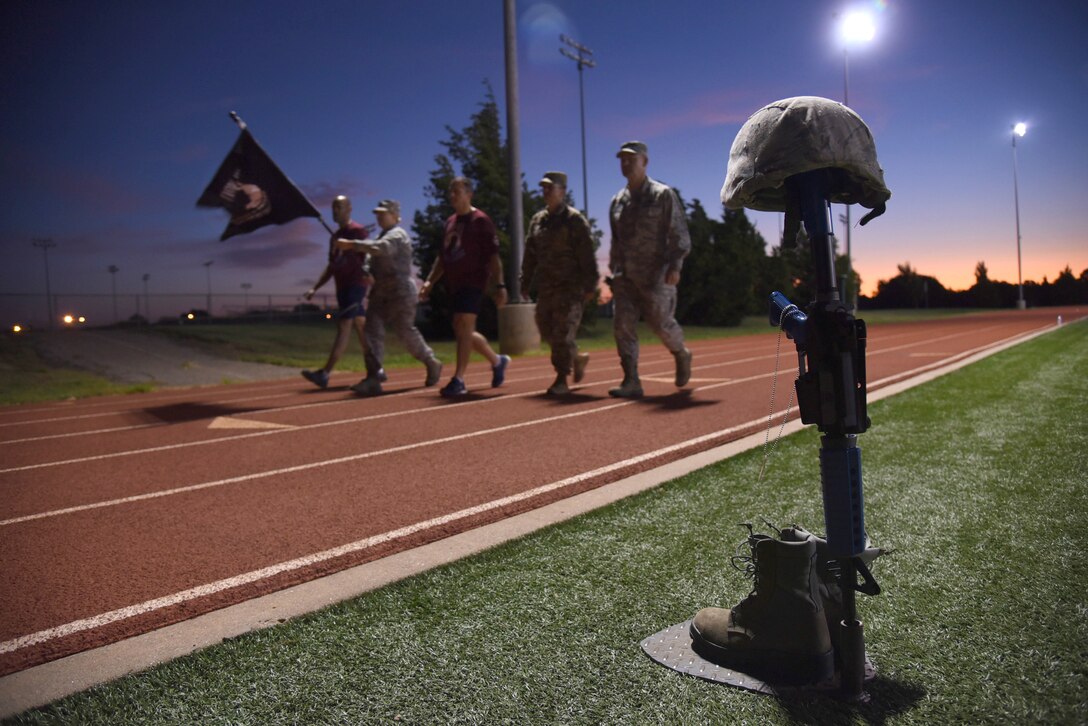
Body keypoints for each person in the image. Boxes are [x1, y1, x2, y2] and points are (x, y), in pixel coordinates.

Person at [607, 141, 693, 398]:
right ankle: (631, 380)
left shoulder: (662, 194)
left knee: (661, 324)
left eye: (631, 159)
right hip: (625, 277)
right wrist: (614, 266)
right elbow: (616, 239)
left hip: (656, 275)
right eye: (622, 159)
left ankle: (680, 352)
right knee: (622, 325)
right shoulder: (617, 201)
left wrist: (676, 265)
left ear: (645, 162)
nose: (626, 164)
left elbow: (678, 232)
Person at [338, 199, 442, 396]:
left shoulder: (398, 235)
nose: (379, 216)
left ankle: (431, 362)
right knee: (371, 330)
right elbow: (370, 259)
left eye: (383, 213)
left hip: (400, 291)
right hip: (380, 291)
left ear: (394, 215)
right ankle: (374, 376)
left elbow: (381, 248)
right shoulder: (380, 236)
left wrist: (352, 244)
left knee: (405, 331)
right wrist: (367, 271)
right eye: (377, 213)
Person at [419, 176, 510, 397]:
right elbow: (442, 257)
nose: (452, 196)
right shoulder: (450, 222)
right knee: (462, 329)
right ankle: (497, 361)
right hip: (455, 283)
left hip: (474, 281)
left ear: (469, 194)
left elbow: (493, 257)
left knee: (464, 323)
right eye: (450, 192)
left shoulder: (481, 221)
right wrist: (430, 281)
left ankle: (458, 379)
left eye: (457, 192)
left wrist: (500, 285)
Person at [520, 171, 599, 396]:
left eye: (550, 187)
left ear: (562, 191)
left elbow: (586, 254)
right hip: (547, 286)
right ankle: (577, 358)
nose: (545, 192)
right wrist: (524, 281)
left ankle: (561, 378)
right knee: (547, 330)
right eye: (543, 188)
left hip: (570, 287)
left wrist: (590, 284)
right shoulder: (537, 220)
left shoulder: (574, 220)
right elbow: (530, 255)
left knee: (563, 333)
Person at [300, 195, 370, 389]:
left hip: (355, 286)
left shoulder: (357, 231)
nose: (335, 211)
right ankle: (376, 369)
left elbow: (370, 255)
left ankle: (325, 373)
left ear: (349, 208)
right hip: (342, 288)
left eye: (338, 207)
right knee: (362, 329)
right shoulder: (334, 237)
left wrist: (369, 274)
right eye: (333, 207)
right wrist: (315, 287)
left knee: (344, 326)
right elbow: (331, 266)